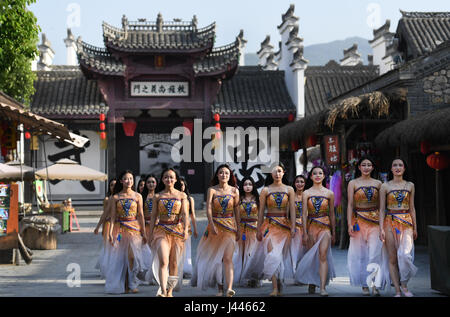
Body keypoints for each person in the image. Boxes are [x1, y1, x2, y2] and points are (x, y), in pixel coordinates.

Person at [191, 164, 241, 297]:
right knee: (217, 259)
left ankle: (229, 288)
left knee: (228, 258)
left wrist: (239, 229)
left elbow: (237, 211)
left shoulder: (235, 191)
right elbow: (208, 209)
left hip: (230, 228)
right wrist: (211, 224)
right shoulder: (212, 190)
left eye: (226, 173)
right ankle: (219, 289)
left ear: (230, 176)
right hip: (215, 228)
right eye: (221, 173)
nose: (224, 175)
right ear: (217, 175)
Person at [104, 170, 149, 294]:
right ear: (121, 181)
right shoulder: (115, 197)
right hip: (120, 230)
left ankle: (132, 282)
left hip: (134, 230)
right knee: (120, 258)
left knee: (132, 257)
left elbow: (140, 215)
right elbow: (113, 217)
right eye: (126, 179)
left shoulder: (137, 196)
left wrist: (144, 233)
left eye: (131, 178)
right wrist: (109, 233)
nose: (129, 181)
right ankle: (125, 283)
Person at [295, 166, 336, 296]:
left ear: (324, 176)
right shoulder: (307, 193)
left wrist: (334, 232)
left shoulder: (329, 193)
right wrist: (305, 232)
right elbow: (304, 214)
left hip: (325, 228)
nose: (318, 175)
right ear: (311, 177)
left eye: (320, 173)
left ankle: (322, 287)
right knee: (313, 256)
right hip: (312, 227)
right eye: (315, 173)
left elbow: (332, 214)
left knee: (323, 255)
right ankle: (312, 282)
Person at [379, 158, 418, 297]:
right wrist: (381, 228)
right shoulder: (385, 186)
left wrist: (415, 227)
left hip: (406, 222)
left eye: (400, 165)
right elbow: (382, 209)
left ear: (404, 169)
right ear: (391, 169)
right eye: (394, 165)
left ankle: (404, 285)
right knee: (393, 258)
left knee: (405, 255)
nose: (397, 167)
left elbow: (412, 208)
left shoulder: (410, 185)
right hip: (389, 222)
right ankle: (397, 290)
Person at [256, 162, 296, 297]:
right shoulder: (265, 190)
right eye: (274, 171)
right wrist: (258, 229)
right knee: (272, 255)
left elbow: (292, 210)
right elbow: (261, 211)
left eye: (279, 171)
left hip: (285, 226)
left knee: (280, 257)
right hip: (269, 225)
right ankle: (274, 287)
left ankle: (279, 282)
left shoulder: (289, 189)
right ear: (270, 174)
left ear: (283, 173)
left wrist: (294, 227)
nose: (277, 174)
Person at [148, 168, 189, 297]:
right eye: (166, 177)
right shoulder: (157, 196)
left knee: (174, 263)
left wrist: (186, 230)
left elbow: (185, 215)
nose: (169, 179)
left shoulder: (182, 196)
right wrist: (150, 234)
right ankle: (162, 290)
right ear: (162, 179)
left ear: (176, 179)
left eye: (171, 177)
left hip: (177, 231)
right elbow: (153, 216)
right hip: (161, 231)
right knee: (164, 261)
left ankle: (170, 291)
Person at [347, 157, 383, 296]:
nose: (366, 167)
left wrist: (382, 226)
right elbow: (350, 204)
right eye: (364, 165)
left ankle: (375, 284)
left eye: (369, 165)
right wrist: (349, 223)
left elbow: (381, 206)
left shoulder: (379, 184)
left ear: (373, 167)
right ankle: (364, 284)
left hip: (375, 222)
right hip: (358, 222)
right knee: (360, 254)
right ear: (359, 167)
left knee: (375, 253)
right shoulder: (353, 183)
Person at [234, 176, 263, 287]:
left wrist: (261, 229)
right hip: (241, 229)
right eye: (245, 184)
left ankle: (253, 277)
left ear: (253, 186)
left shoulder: (258, 199)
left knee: (253, 253)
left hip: (255, 229)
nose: (247, 187)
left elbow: (261, 216)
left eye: (250, 184)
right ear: (242, 186)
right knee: (241, 253)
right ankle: (243, 277)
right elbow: (235, 215)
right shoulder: (239, 199)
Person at [94, 178, 116, 278]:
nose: (113, 187)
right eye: (111, 185)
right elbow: (104, 214)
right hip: (108, 226)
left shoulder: (122, 197)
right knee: (109, 247)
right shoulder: (108, 199)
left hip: (120, 226)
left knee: (118, 247)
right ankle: (108, 269)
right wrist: (99, 227)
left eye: (115, 185)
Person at [140, 174, 158, 285]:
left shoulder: (160, 196)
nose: (151, 184)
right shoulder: (142, 197)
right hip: (146, 227)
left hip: (158, 227)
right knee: (147, 252)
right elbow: (139, 214)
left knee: (157, 252)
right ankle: (148, 275)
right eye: (149, 182)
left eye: (153, 182)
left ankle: (155, 275)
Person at [290, 174, 307, 283]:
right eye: (297, 181)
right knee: (295, 253)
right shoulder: (291, 196)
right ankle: (296, 275)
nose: (300, 184)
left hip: (307, 227)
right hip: (295, 228)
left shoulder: (308, 195)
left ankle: (303, 275)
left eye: (302, 181)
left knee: (305, 253)